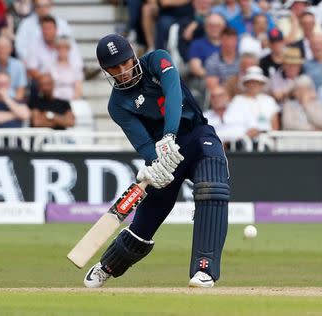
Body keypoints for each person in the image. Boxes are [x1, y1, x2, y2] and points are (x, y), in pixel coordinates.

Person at [84, 34, 230, 289]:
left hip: (196, 137)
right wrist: (155, 163)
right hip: (165, 157)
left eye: (125, 63)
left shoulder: (157, 60)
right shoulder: (117, 105)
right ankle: (106, 265)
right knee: (144, 224)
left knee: (212, 187)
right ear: (106, 71)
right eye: (115, 68)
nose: (123, 71)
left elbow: (174, 93)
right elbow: (142, 142)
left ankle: (204, 269)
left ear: (133, 56)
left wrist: (169, 134)